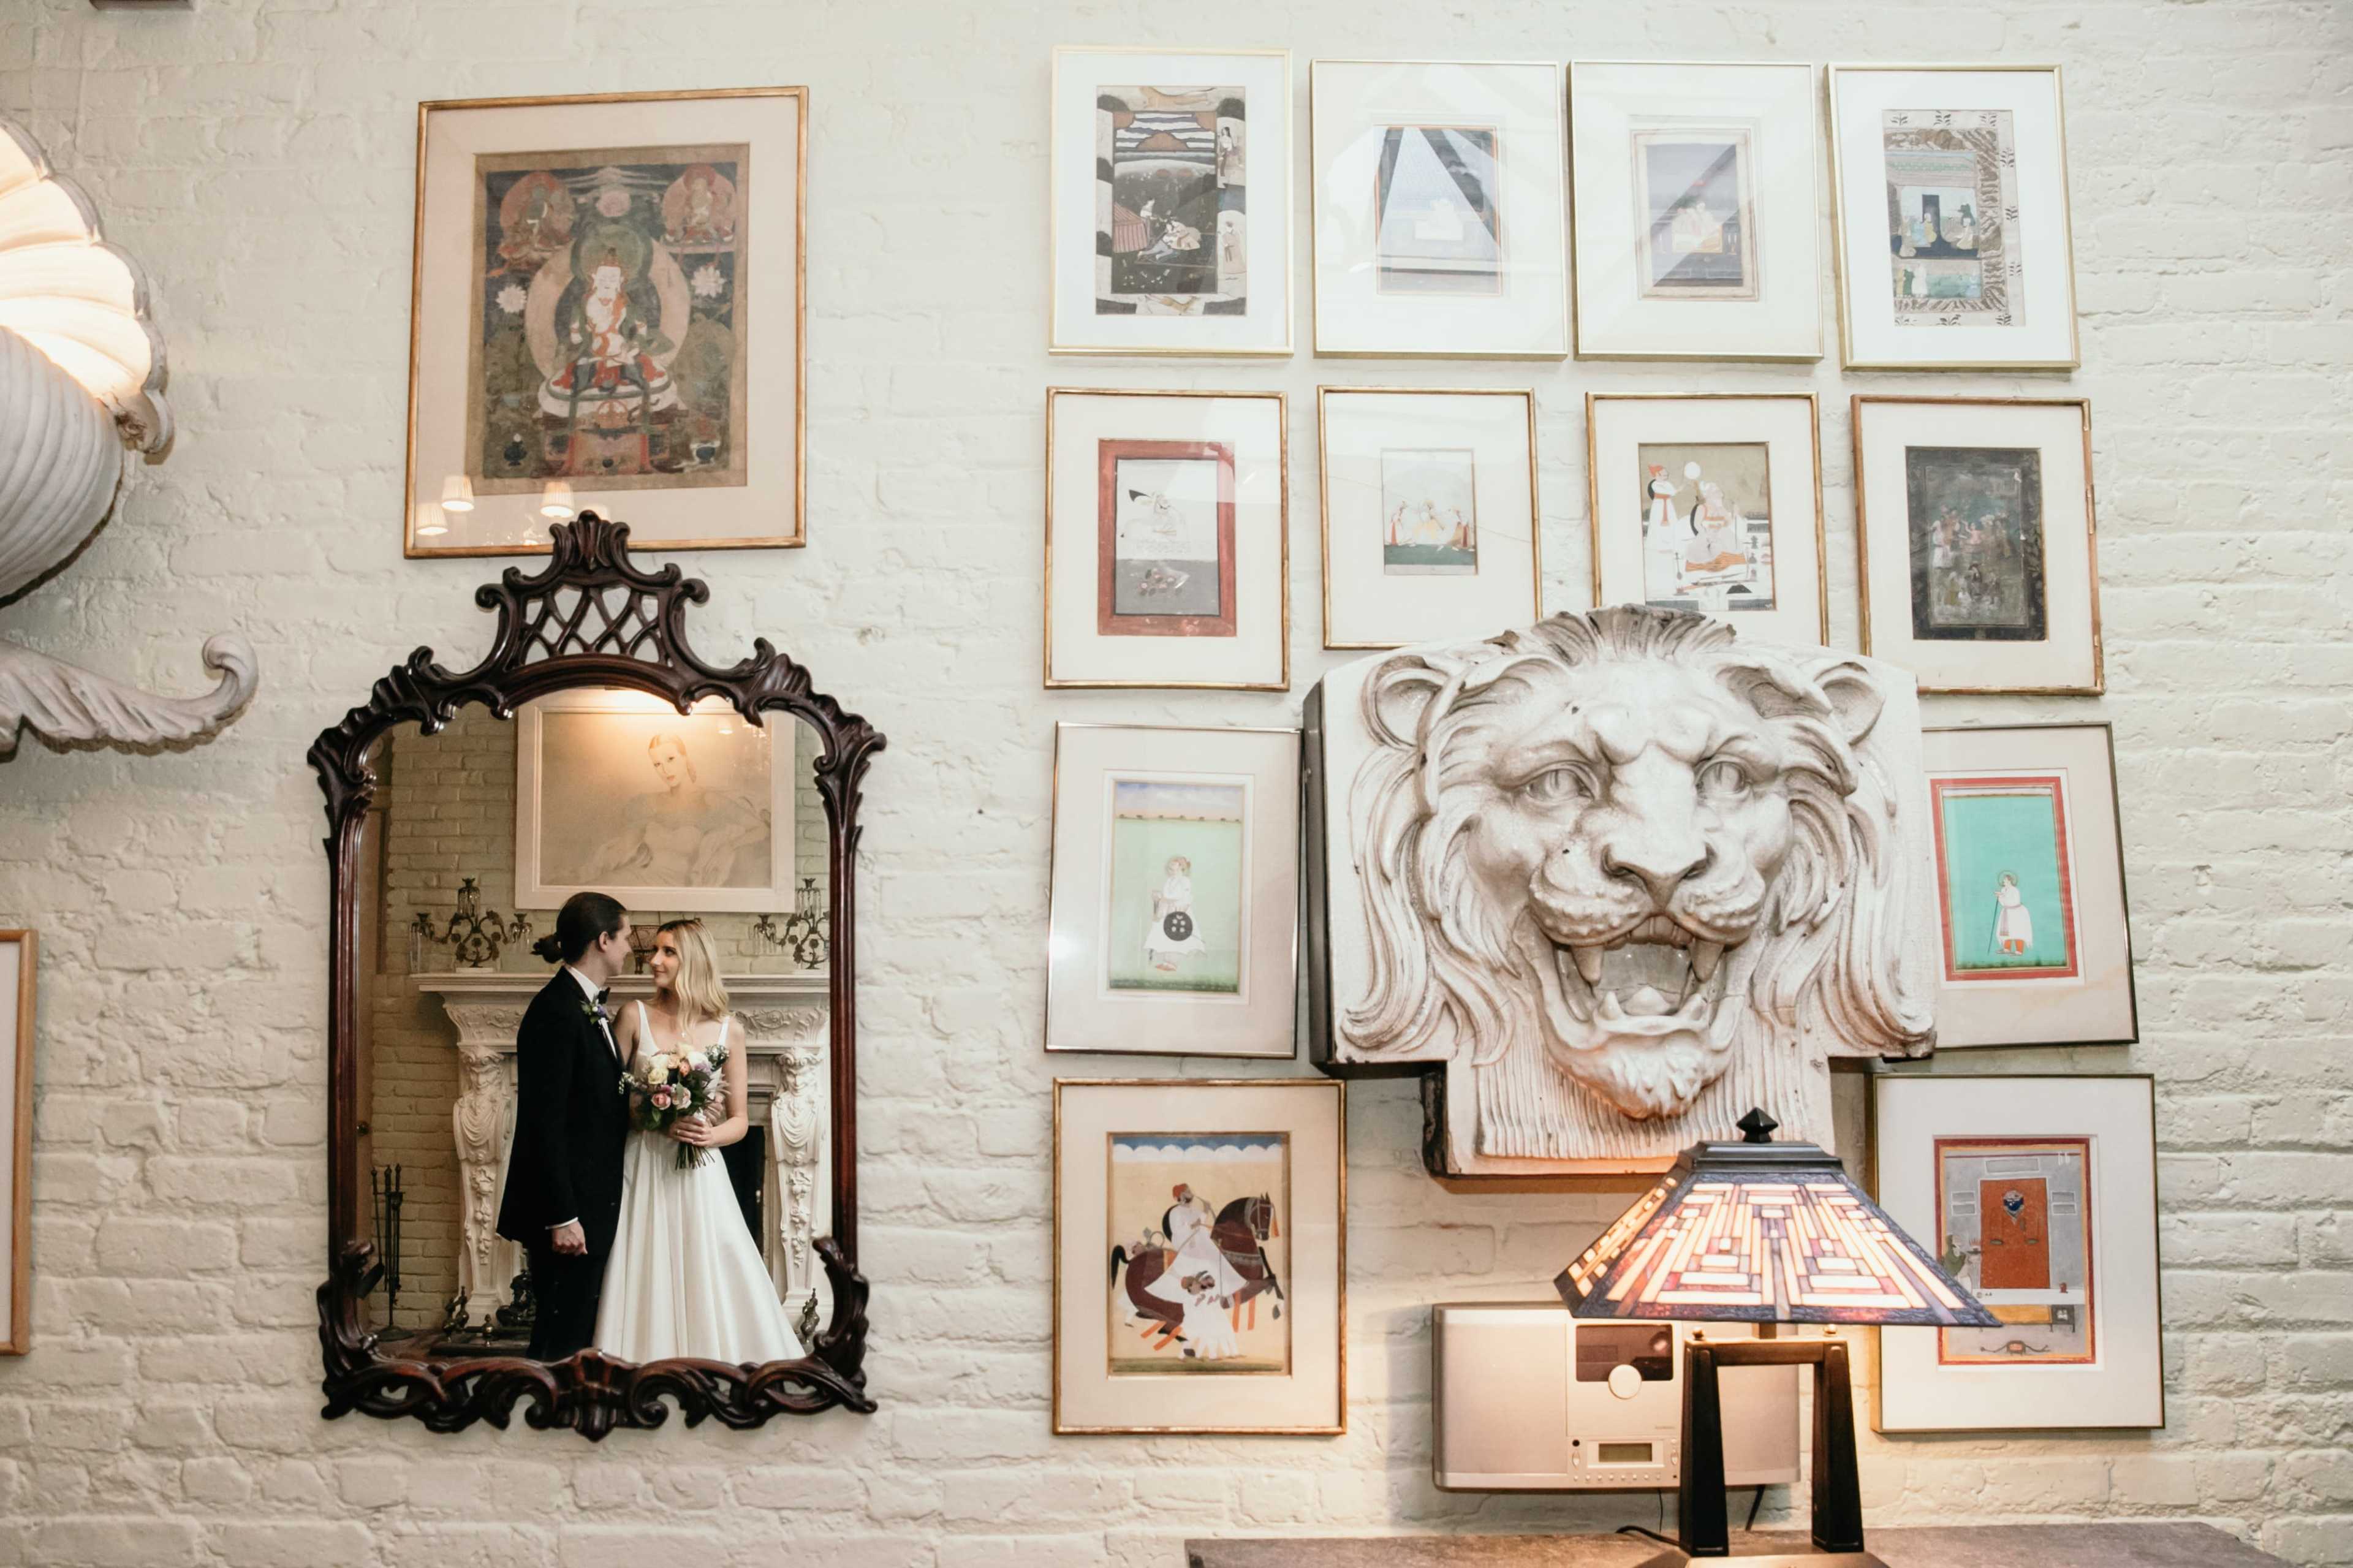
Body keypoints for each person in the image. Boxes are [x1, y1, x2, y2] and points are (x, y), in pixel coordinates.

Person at [594, 918, 806, 1364]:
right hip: (646, 1164)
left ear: (693, 961)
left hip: (700, 1173)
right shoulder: (633, 1015)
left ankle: (709, 1365)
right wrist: (656, 1120)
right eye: (655, 951)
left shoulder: (731, 1031)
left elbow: (740, 1121)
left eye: (668, 952)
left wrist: (708, 1134)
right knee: (647, 1264)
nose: (654, 960)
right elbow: (609, 1103)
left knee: (707, 1264)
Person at [495, 892, 634, 1361]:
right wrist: (563, 1217)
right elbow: (543, 1122)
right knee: (558, 1344)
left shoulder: (583, 1004)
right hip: (567, 1213)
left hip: (589, 1205)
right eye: (625, 936)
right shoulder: (555, 1010)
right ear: (603, 940)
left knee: (576, 1336)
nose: (629, 947)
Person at [580, 732, 768, 888]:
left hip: (678, 888)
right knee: (594, 888)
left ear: (685, 758)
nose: (665, 770)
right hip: (638, 879)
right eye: (657, 764)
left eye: (670, 759)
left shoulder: (709, 800)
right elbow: (624, 844)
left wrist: (729, 846)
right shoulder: (650, 802)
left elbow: (761, 829)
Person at [1145, 854, 1206, 974]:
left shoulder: (1185, 881)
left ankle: (1173, 963)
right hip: (1166, 910)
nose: (1171, 868)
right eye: (1170, 866)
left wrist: (1180, 910)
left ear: (1181, 867)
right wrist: (1160, 898)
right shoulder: (1169, 880)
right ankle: (1166, 961)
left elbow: (1186, 897)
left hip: (1179, 910)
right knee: (1165, 936)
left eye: (1174, 865)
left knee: (1176, 936)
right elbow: (1166, 895)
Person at [1992, 872, 2034, 957]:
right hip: (2007, 912)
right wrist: (2000, 897)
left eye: (2005, 880)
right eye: (2004, 880)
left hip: (2017, 913)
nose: (2004, 881)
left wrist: (2002, 897)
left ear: (2010, 880)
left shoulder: (2015, 890)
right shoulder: (2003, 890)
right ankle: (2007, 949)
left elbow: (2014, 902)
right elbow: (2004, 903)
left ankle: (2019, 951)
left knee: (2017, 931)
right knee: (2007, 931)